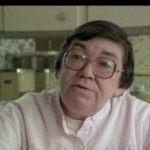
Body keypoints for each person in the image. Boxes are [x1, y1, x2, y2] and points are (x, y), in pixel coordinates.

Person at [0, 20, 150, 150]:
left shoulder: (142, 120)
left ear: (121, 86)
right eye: (77, 56)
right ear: (58, 69)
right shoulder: (20, 115)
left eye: (104, 64)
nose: (86, 72)